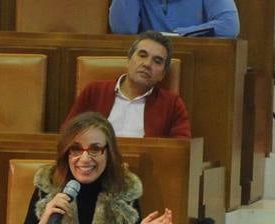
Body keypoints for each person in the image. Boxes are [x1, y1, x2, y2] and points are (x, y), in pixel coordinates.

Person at [13, 111, 172, 224]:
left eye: (95, 149)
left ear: (108, 153)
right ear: (66, 153)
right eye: (76, 149)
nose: (85, 159)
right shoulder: (48, 188)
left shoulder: (123, 194)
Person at [64, 32, 190, 139]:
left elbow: (181, 148)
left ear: (162, 74)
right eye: (142, 55)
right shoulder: (95, 91)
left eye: (157, 61)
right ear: (128, 60)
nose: (147, 64)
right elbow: (68, 134)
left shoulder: (172, 104)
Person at [108, 0, 240, 38]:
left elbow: (229, 26)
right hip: (147, 66)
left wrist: (179, 34)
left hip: (195, 64)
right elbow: (123, 29)